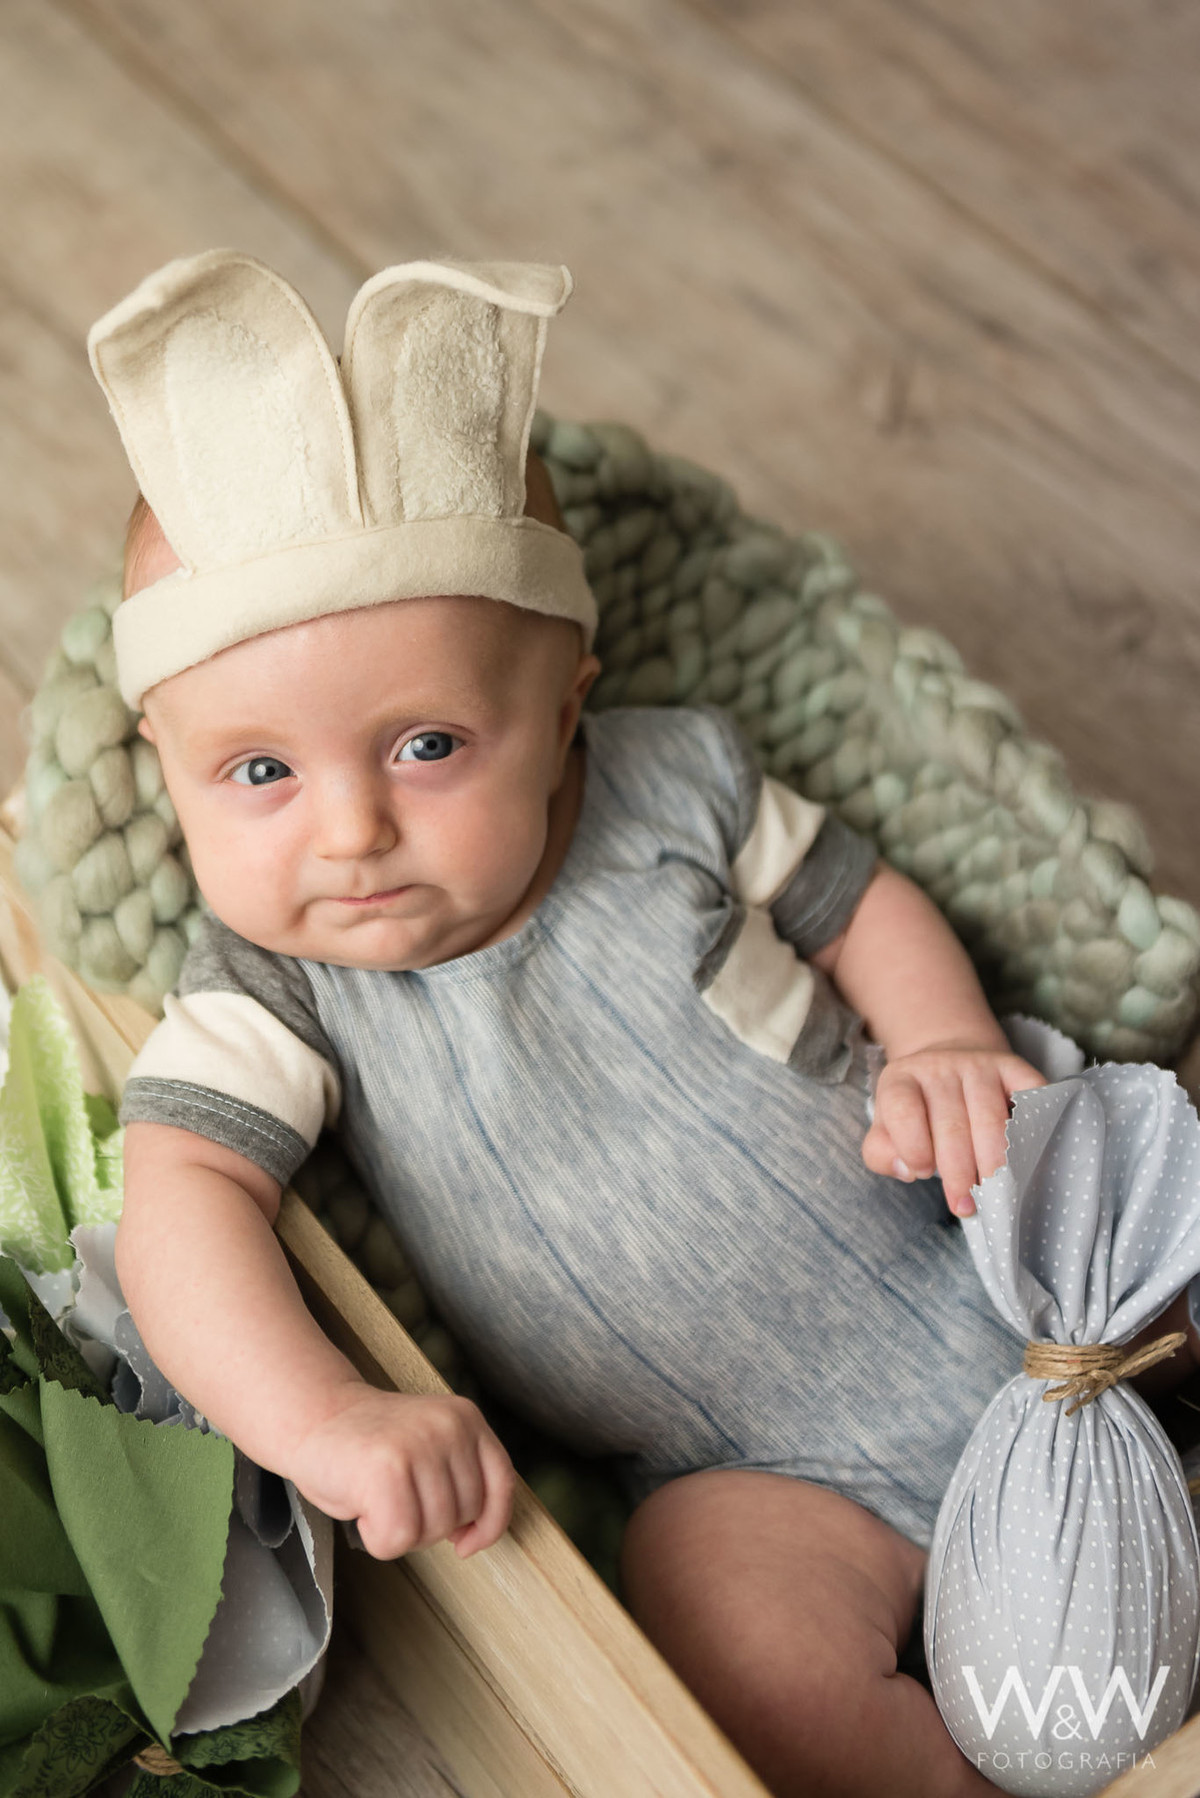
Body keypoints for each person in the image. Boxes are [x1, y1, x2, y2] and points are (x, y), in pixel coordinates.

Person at [97, 251, 1200, 1798]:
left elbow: (856, 900)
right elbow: (180, 1214)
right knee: (716, 1627)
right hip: (778, 1478)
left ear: (564, 707)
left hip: (1004, 1257)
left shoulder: (672, 783)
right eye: (258, 772)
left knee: (1150, 1155)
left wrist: (945, 1040)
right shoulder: (268, 989)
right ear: (166, 767)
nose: (349, 828)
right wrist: (326, 1415)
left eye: (427, 744)